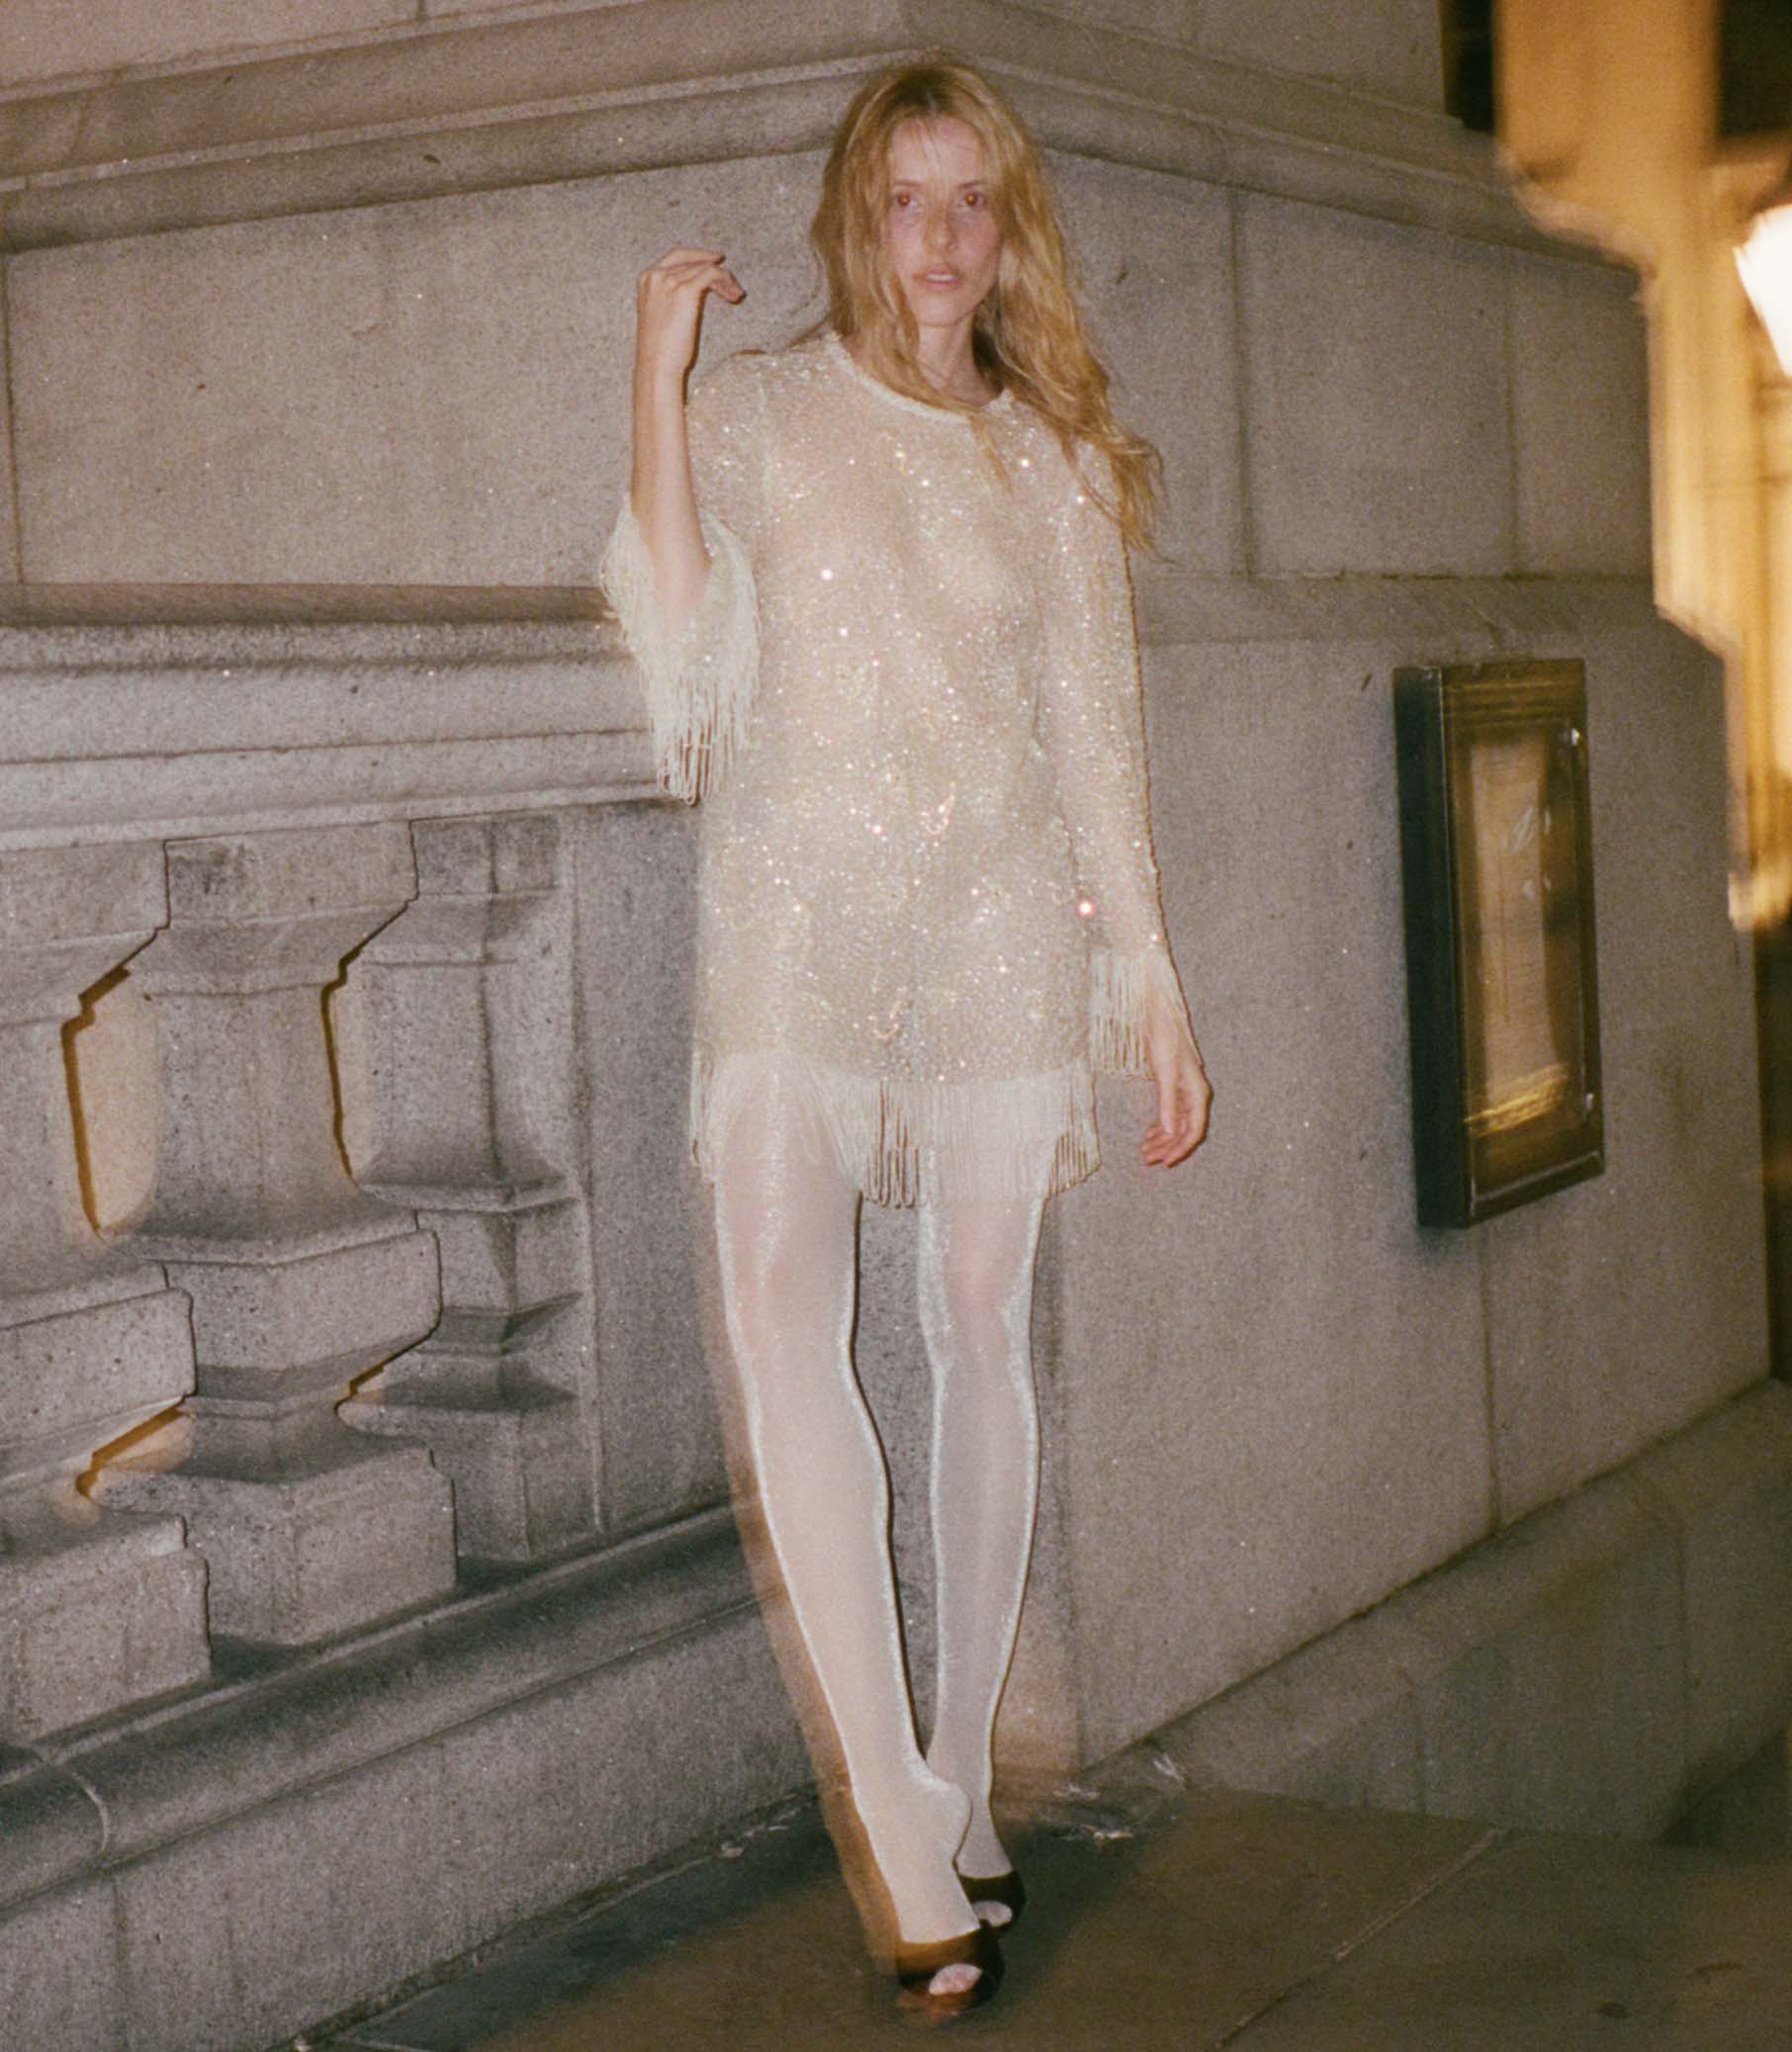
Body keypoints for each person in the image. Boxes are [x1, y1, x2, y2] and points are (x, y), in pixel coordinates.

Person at [601, 53, 1210, 2022]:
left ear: (1006, 228)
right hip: (796, 915)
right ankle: (890, 1818)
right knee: (787, 1320)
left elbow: (1098, 752)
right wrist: (655, 364)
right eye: (903, 200)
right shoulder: (765, 412)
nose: (939, 237)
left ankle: (952, 1785)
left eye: (972, 201)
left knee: (969, 1326)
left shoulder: (1048, 462)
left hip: (998, 929)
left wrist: (1153, 989)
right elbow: (678, 653)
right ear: (855, 224)